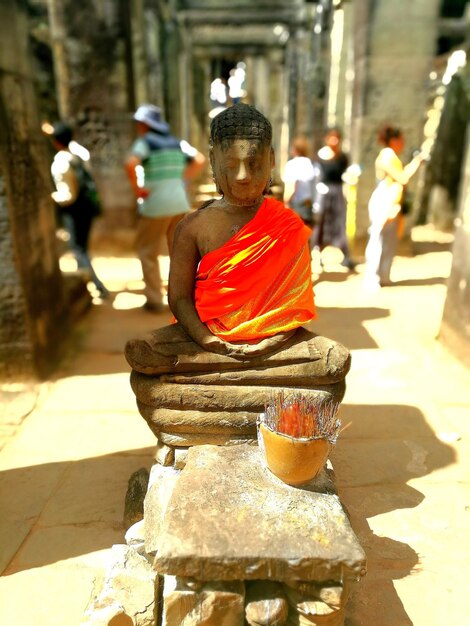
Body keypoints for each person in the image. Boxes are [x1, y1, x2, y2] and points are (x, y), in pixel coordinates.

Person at [167, 103, 316, 357]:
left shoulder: (287, 226)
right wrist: (207, 339)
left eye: (253, 163)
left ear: (271, 160)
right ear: (213, 160)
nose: (243, 176)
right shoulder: (193, 227)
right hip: (205, 338)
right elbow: (179, 298)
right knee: (145, 350)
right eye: (232, 164)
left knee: (331, 358)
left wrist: (269, 343)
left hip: (275, 341)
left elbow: (293, 304)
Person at [125, 104, 206, 312]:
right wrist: (180, 178)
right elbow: (199, 159)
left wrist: (138, 190)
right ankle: (182, 297)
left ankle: (154, 299)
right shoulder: (177, 143)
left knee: (147, 251)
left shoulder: (145, 143)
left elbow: (130, 163)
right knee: (177, 252)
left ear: (145, 124)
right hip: (179, 202)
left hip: (155, 205)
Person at [47, 121, 109, 298]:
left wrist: (51, 197)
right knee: (83, 248)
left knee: (78, 250)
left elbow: (68, 196)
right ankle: (91, 285)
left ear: (55, 142)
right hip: (87, 208)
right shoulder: (79, 155)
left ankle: (96, 287)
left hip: (74, 211)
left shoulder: (60, 163)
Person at [364, 125, 426, 290]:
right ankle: (372, 278)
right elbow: (402, 178)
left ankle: (384, 276)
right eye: (400, 140)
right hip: (384, 200)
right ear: (393, 140)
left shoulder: (392, 156)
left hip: (392, 201)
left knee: (389, 241)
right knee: (378, 239)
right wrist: (417, 161)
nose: (403, 143)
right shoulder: (386, 155)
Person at [312, 127, 356, 270]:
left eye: (337, 137)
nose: (334, 140)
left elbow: (346, 175)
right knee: (321, 224)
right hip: (323, 195)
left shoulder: (343, 157)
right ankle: (317, 255)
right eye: (332, 137)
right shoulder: (319, 157)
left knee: (339, 223)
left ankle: (346, 256)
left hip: (337, 194)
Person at [282, 136, 320, 230]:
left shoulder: (292, 164)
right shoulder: (311, 164)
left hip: (296, 205)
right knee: (306, 236)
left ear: (295, 149)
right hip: (308, 205)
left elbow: (291, 186)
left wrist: (286, 203)